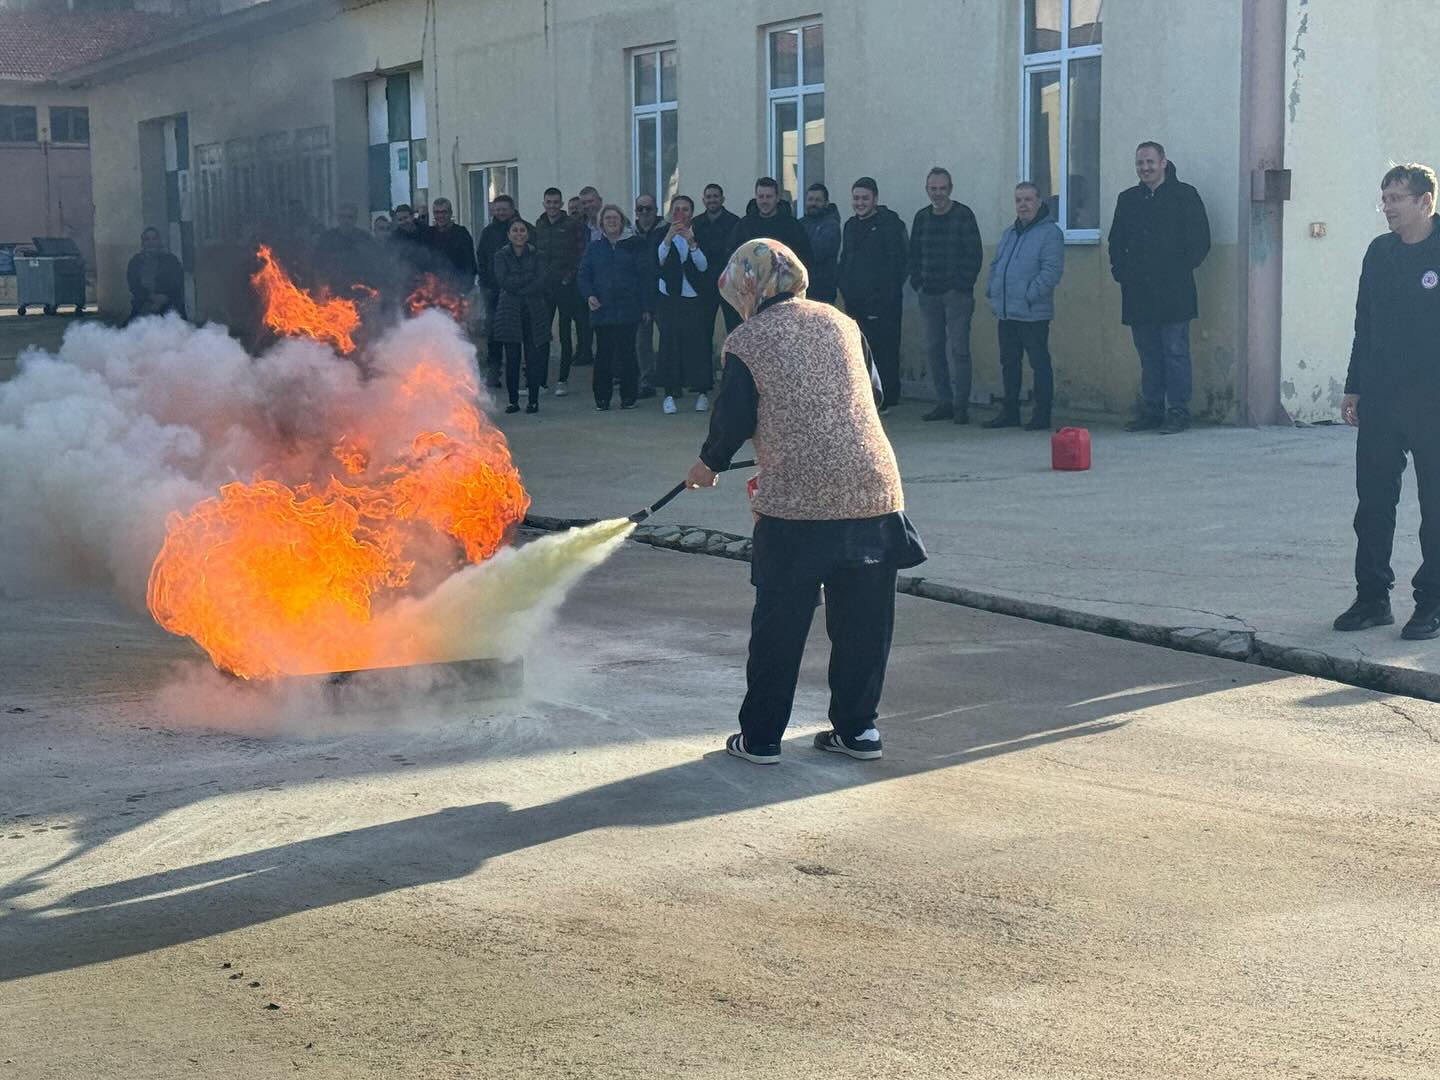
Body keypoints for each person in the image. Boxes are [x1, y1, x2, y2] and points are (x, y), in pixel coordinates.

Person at [684, 239, 926, 765]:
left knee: (781, 621)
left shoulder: (746, 341)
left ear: (749, 284)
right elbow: (874, 397)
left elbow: (734, 420)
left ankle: (763, 738)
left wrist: (709, 465)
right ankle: (859, 732)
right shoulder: (843, 323)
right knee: (864, 621)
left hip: (797, 503)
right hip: (873, 491)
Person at [1334, 163, 1440, 642]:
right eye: (1385, 197)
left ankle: (1432, 603)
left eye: (1397, 197)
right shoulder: (1379, 253)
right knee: (1374, 502)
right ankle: (1372, 597)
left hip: (1433, 401)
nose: (1388, 207)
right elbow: (1365, 323)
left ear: (1425, 202)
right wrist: (1355, 386)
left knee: (1435, 506)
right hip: (1381, 397)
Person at [1108, 141, 1212, 435]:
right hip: (1138, 292)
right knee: (1148, 354)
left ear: (1164, 162)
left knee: (1175, 351)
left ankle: (1178, 412)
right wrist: (1122, 273)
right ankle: (1152, 411)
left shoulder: (1184, 195)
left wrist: (1178, 269)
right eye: (1140, 163)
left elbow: (1200, 241)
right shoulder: (1127, 199)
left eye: (1150, 162)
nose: (1145, 168)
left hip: (1174, 290)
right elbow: (1116, 242)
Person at [983, 182, 1065, 430]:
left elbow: (1051, 272)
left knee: (1039, 364)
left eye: (1028, 200)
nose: (1023, 205)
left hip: (1033, 313)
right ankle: (1010, 412)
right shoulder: (1010, 233)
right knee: (1009, 363)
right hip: (1007, 311)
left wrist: (1030, 295)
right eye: (1018, 200)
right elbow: (997, 265)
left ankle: (1042, 415)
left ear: (1039, 201)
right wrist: (993, 291)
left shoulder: (1050, 233)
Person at [909, 167, 983, 424]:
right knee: (933, 349)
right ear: (926, 189)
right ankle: (944, 402)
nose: (937, 194)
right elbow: (914, 253)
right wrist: (918, 282)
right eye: (933, 189)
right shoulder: (921, 217)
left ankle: (961, 406)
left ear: (950, 189)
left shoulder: (963, 215)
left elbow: (974, 255)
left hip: (957, 296)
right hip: (928, 294)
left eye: (942, 189)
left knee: (959, 350)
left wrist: (962, 285)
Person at [838, 177, 909, 412]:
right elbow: (846, 259)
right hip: (855, 302)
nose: (860, 203)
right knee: (859, 351)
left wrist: (882, 297)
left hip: (883, 303)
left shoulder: (890, 225)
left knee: (883, 351)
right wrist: (844, 285)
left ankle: (886, 399)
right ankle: (865, 397)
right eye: (856, 198)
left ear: (875, 199)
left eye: (865, 198)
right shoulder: (850, 226)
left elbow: (898, 265)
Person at [578, 204, 650, 410]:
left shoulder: (633, 245)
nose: (611, 221)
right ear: (601, 223)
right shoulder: (594, 248)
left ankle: (629, 397)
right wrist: (589, 295)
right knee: (604, 355)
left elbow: (645, 277)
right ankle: (602, 397)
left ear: (622, 221)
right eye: (607, 218)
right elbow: (583, 275)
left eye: (615, 218)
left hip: (629, 309)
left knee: (628, 354)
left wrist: (645, 307)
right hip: (602, 310)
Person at [656, 195, 712, 414]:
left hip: (694, 297)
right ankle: (669, 393)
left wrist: (691, 243)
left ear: (691, 212)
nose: (682, 213)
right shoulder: (662, 234)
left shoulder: (700, 233)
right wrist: (669, 237)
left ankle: (702, 392)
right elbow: (658, 259)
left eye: (686, 209)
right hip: (669, 297)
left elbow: (703, 266)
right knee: (669, 344)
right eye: (677, 209)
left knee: (698, 344)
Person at [533, 187, 588, 396]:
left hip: (566, 287)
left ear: (561, 203)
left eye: (556, 202)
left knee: (565, 334)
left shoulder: (573, 226)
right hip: (545, 289)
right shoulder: (539, 225)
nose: (552, 206)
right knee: (543, 333)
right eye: (549, 202)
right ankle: (541, 381)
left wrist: (568, 277)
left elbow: (580, 254)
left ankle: (562, 380)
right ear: (544, 203)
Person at [491, 218, 548, 414]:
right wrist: (527, 278)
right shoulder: (501, 256)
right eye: (514, 231)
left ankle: (533, 400)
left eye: (522, 230)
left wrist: (520, 284)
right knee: (512, 358)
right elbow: (504, 281)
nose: (519, 234)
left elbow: (541, 280)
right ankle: (513, 400)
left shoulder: (538, 255)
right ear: (508, 235)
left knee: (533, 357)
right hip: (509, 311)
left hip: (534, 310)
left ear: (528, 234)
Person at [475, 194, 524, 388]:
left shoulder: (522, 229)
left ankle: (522, 374)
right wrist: (486, 283)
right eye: (497, 209)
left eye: (504, 209)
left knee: (519, 333)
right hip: (493, 291)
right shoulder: (488, 233)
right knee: (493, 334)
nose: (500, 213)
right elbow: (481, 258)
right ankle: (494, 372)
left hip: (519, 293)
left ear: (512, 209)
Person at [728, 177, 814, 272]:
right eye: (761, 197)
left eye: (769, 197)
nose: (764, 201)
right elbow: (732, 256)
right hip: (750, 284)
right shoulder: (744, 226)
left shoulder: (792, 226)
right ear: (756, 197)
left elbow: (805, 259)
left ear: (777, 198)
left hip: (784, 284)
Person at [693, 182, 742, 341]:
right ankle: (703, 366)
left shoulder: (735, 223)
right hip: (704, 284)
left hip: (729, 283)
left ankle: (733, 366)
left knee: (734, 329)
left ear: (722, 199)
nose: (712, 200)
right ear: (703, 200)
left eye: (715, 196)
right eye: (708, 197)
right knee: (702, 330)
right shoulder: (696, 223)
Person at [632, 193, 667, 397]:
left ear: (656, 210)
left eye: (649, 209)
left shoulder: (666, 232)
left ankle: (670, 378)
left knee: (668, 339)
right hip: (639, 296)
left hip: (663, 295)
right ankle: (647, 381)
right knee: (641, 343)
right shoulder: (630, 235)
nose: (645, 213)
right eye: (640, 209)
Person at [126, 226, 186, 321]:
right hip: (143, 305)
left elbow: (177, 282)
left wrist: (163, 299)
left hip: (170, 306)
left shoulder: (171, 260)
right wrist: (151, 297)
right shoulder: (135, 262)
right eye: (147, 239)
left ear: (159, 241)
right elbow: (134, 285)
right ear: (143, 243)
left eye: (154, 239)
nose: (151, 242)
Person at [423, 196, 477, 296]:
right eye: (437, 212)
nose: (440, 216)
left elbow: (470, 263)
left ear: (451, 213)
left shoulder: (461, 233)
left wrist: (465, 288)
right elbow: (424, 262)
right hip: (434, 289)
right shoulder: (428, 234)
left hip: (457, 288)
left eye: (444, 212)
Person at [800, 183, 842, 305]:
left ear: (826, 203)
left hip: (822, 290)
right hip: (803, 289)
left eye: (818, 200)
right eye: (810, 200)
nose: (813, 203)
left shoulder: (831, 225)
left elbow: (816, 253)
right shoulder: (801, 223)